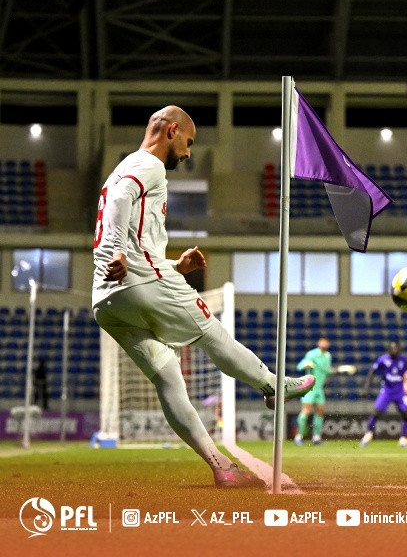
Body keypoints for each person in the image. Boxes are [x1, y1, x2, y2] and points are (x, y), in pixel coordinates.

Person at [92, 106, 314, 488]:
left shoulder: (121, 169)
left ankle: (220, 466)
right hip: (136, 280)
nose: (188, 152)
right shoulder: (149, 165)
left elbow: (132, 230)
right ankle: (272, 386)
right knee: (213, 332)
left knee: (168, 378)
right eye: (188, 142)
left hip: (107, 300)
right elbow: (120, 202)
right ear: (172, 130)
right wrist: (118, 251)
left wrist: (174, 265)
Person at [361, 341, 407, 447]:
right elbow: (372, 371)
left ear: (399, 349)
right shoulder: (383, 359)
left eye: (396, 348)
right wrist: (366, 387)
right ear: (389, 349)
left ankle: (403, 439)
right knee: (376, 412)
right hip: (386, 390)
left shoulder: (405, 360)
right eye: (392, 348)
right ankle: (368, 434)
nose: (394, 350)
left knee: (406, 413)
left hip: (400, 391)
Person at [294, 336, 332, 445]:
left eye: (326, 342)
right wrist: (305, 364)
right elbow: (299, 366)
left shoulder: (328, 356)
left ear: (328, 344)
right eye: (322, 341)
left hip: (319, 388)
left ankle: (316, 437)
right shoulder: (312, 354)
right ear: (318, 343)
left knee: (320, 411)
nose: (324, 343)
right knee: (306, 411)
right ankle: (299, 436)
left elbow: (327, 371)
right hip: (309, 387)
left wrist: (339, 370)